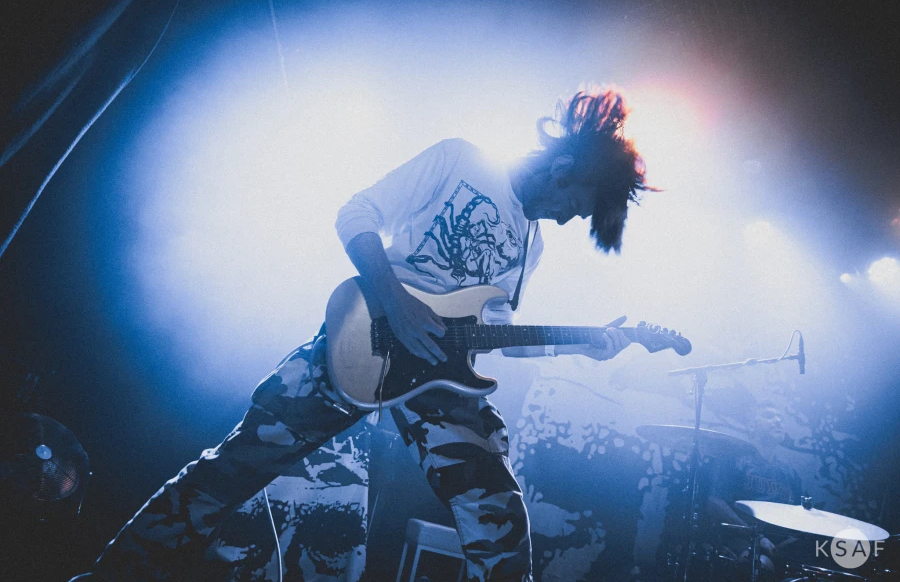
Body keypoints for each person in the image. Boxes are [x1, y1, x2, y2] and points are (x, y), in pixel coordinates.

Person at [72, 87, 655, 582]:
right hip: (364, 332)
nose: (570, 219)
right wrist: (397, 305)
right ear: (563, 169)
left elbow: (491, 333)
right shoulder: (460, 160)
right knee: (231, 469)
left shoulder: (533, 248)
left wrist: (585, 343)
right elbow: (356, 215)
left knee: (500, 520)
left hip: (439, 381)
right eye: (577, 204)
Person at [704, 403, 803, 579]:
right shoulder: (733, 460)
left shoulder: (790, 473)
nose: (778, 421)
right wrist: (756, 537)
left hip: (779, 544)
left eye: (780, 418)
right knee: (758, 565)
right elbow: (714, 503)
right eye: (769, 416)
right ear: (752, 425)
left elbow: (800, 515)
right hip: (739, 540)